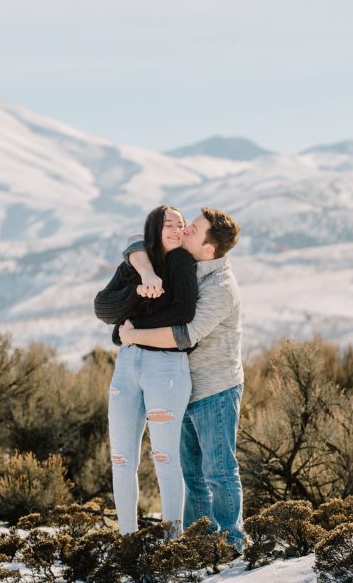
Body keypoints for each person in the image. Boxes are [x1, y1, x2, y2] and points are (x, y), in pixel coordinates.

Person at [117, 207, 244, 550]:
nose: (183, 230)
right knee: (191, 475)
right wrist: (144, 269)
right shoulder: (181, 263)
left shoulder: (220, 287)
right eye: (186, 225)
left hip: (215, 389)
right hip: (181, 388)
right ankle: (197, 544)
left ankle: (232, 544)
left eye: (192, 230)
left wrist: (133, 336)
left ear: (209, 249)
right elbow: (134, 241)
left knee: (218, 471)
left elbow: (185, 335)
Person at [93, 205, 198, 535]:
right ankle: (127, 539)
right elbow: (103, 306)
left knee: (165, 457)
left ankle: (173, 542)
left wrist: (134, 326)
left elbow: (183, 311)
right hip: (127, 365)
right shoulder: (137, 263)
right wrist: (137, 288)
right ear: (154, 228)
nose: (177, 229)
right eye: (169, 223)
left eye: (182, 225)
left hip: (165, 366)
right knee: (122, 459)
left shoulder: (181, 261)